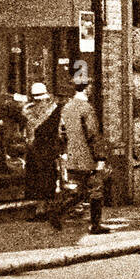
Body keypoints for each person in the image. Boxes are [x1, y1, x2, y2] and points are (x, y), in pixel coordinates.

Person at [53, 75, 109, 234]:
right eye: (89, 87)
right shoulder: (86, 108)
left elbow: (61, 133)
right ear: (86, 88)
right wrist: (100, 157)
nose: (91, 89)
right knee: (96, 189)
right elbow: (92, 135)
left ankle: (57, 212)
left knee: (78, 192)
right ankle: (95, 225)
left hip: (72, 156)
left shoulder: (67, 107)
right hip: (87, 157)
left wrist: (65, 151)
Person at [22, 82, 61, 217]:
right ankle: (44, 205)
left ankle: (41, 206)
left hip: (34, 149)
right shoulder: (54, 110)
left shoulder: (27, 110)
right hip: (47, 149)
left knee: (37, 177)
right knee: (47, 176)